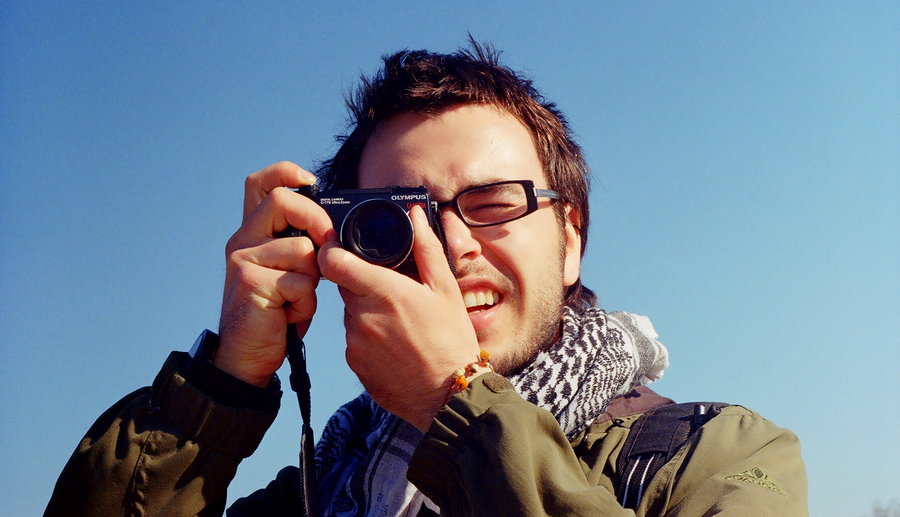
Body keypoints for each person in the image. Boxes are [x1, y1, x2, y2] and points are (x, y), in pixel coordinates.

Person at [46, 42, 807, 516]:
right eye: (395, 219)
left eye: (493, 202)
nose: (450, 244)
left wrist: (457, 401)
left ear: (570, 239)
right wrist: (221, 388)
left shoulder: (718, 457)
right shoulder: (316, 494)